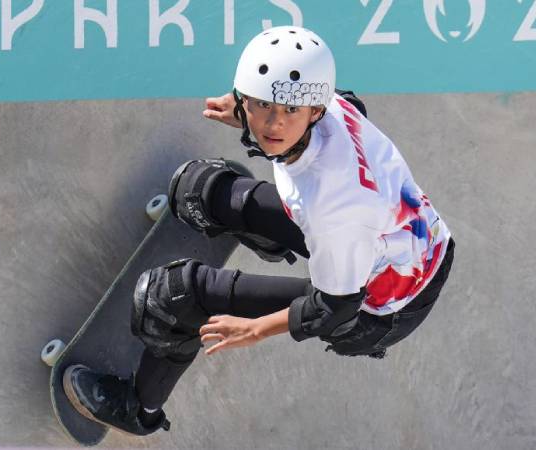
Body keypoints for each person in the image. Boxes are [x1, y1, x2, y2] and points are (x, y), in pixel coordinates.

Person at [63, 26, 454, 437]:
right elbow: (316, 103)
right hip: (404, 244)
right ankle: (267, 234)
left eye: (289, 112)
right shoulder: (330, 105)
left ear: (316, 111)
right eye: (262, 105)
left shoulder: (331, 206)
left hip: (380, 307)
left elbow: (333, 306)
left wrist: (253, 329)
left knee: (172, 296)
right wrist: (248, 110)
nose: (274, 124)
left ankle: (137, 409)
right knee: (199, 188)